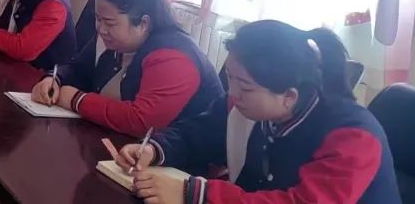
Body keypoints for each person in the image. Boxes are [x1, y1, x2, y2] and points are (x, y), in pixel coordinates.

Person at [118, 20, 401, 204]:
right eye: (230, 77)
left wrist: (195, 194)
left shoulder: (354, 138)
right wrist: (154, 149)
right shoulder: (247, 104)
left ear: (289, 96)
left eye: (245, 86)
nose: (232, 92)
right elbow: (199, 133)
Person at [31, 0, 222, 137]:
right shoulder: (111, 37)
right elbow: (78, 69)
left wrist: (77, 100)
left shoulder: (174, 57)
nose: (101, 29)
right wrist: (54, 79)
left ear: (143, 23)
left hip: (174, 157)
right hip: (116, 141)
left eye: (109, 23)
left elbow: (142, 122)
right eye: (98, 19)